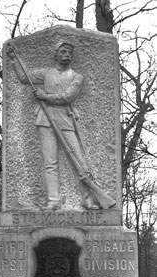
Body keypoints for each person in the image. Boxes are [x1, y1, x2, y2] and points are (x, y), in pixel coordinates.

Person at [7, 40, 112, 210]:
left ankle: (88, 199)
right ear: (55, 54)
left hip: (65, 120)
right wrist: (14, 58)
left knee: (79, 161)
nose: (67, 55)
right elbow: (25, 77)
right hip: (45, 120)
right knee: (50, 163)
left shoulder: (77, 77)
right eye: (63, 51)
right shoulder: (47, 73)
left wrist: (45, 97)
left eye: (70, 53)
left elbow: (67, 97)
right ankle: (53, 200)